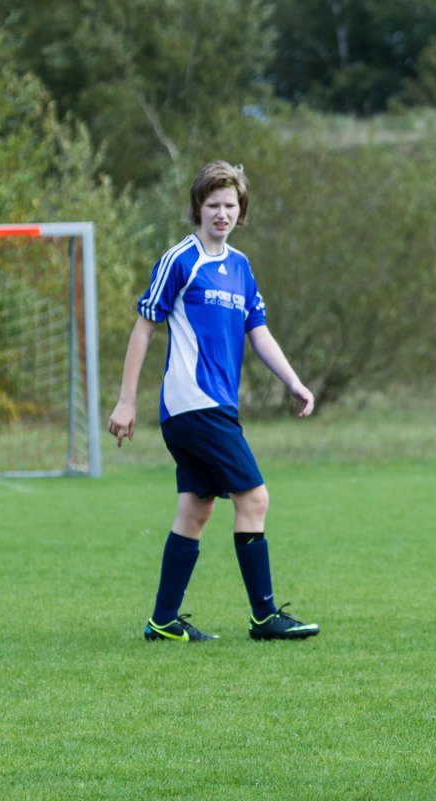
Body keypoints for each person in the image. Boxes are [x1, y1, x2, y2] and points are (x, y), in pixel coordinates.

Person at [107, 161, 321, 642]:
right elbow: (144, 325)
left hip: (210, 407)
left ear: (241, 210)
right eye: (213, 205)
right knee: (255, 498)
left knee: (196, 510)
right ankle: (265, 617)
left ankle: (163, 622)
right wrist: (126, 402)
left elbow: (258, 331)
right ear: (197, 209)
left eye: (230, 205)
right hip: (193, 403)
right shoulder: (181, 259)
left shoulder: (241, 267)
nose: (221, 214)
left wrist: (294, 381)